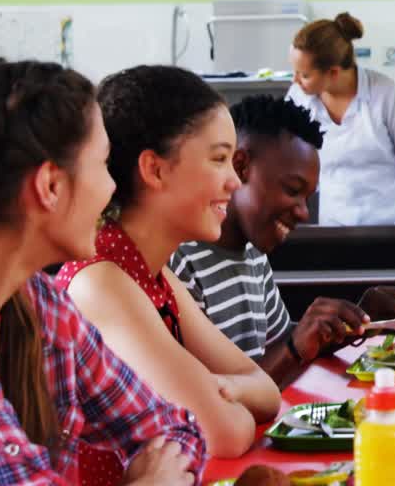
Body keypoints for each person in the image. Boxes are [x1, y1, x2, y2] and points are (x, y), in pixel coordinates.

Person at [0, 58, 203, 485]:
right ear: (51, 186)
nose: (111, 189)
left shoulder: (46, 308)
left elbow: (177, 429)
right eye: (104, 165)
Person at [56, 66, 282, 466]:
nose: (234, 181)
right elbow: (222, 434)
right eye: (219, 159)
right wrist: (227, 396)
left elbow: (267, 392)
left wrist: (226, 389)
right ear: (155, 169)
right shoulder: (102, 280)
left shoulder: (155, 277)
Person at [168, 95, 395, 390]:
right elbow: (215, 395)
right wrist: (296, 346)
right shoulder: (181, 261)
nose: (304, 212)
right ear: (241, 167)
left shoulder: (253, 255)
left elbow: (276, 347)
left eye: (307, 198)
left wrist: (355, 323)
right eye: (292, 190)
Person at [286, 12, 395, 226]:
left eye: (304, 75)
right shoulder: (299, 99)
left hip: (392, 227)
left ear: (333, 72)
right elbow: (284, 158)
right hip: (335, 225)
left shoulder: (384, 93)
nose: (296, 81)